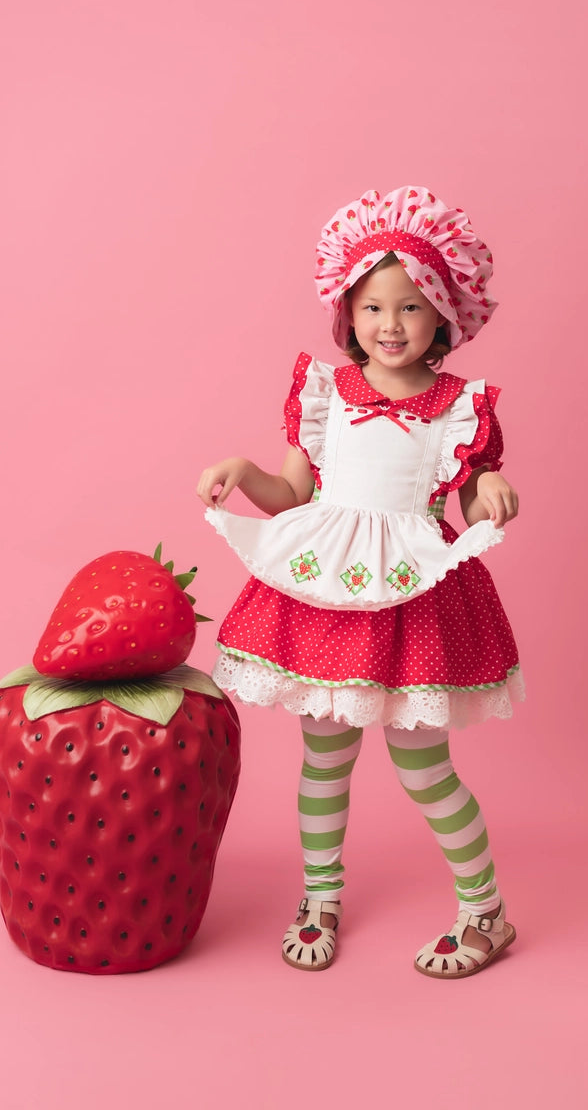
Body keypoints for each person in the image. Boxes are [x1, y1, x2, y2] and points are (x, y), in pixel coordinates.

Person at [196, 186, 524, 978]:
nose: (389, 325)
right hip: (324, 596)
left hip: (409, 599)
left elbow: (467, 487)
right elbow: (292, 493)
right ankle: (320, 896)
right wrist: (243, 473)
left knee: (423, 765)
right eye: (373, 307)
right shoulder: (324, 395)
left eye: (410, 309)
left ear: (443, 317)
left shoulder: (457, 408)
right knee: (325, 756)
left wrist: (489, 495)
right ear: (348, 315)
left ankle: (485, 911)